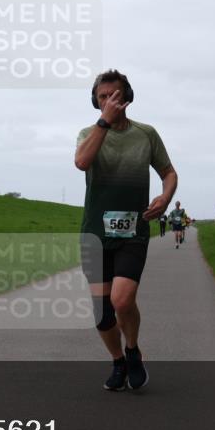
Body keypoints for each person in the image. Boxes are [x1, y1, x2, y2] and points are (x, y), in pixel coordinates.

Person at [75, 69, 176, 392]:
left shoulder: (146, 134)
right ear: (96, 101)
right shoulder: (88, 133)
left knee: (122, 300)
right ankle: (119, 360)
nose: (109, 102)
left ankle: (132, 349)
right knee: (103, 314)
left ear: (127, 97)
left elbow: (169, 172)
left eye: (115, 96)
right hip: (95, 233)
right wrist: (103, 123)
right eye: (103, 97)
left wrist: (165, 196)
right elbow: (81, 162)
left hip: (133, 231)